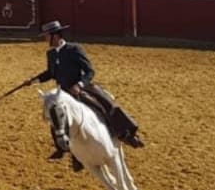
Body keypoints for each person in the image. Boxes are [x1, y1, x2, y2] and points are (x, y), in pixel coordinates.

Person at [29, 20, 144, 171]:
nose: (45, 40)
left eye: (46, 36)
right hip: (63, 93)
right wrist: (33, 80)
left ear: (55, 36)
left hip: (83, 88)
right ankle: (65, 150)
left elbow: (90, 71)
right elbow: (50, 73)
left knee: (105, 103)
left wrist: (80, 85)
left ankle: (127, 133)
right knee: (56, 118)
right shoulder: (50, 53)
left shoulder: (75, 49)